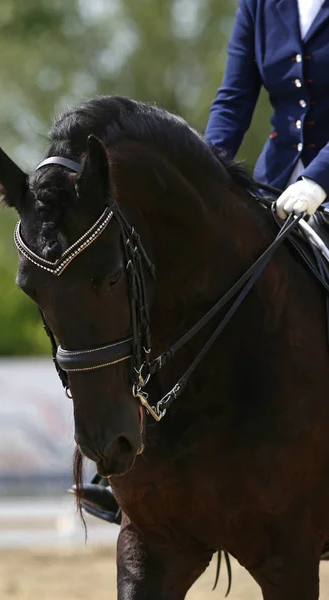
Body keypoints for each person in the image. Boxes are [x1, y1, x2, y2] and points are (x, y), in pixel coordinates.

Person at [78, 0, 329, 523]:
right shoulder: (262, 4)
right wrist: (203, 183)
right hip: (274, 184)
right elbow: (236, 97)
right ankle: (134, 468)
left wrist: (321, 178)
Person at [205, 0, 329, 220]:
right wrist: (203, 167)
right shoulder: (257, 5)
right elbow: (233, 101)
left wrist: (319, 180)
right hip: (273, 184)